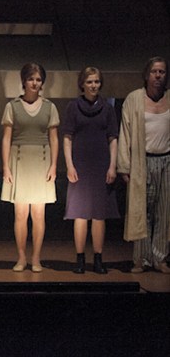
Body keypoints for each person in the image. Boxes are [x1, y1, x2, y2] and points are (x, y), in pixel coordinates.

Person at [1, 62, 59, 273]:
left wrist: (54, 165)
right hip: (19, 161)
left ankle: (36, 258)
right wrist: (6, 167)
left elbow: (54, 138)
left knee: (39, 214)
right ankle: (21, 257)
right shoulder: (12, 106)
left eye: (38, 79)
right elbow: (6, 138)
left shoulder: (50, 107)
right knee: (20, 214)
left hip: (41, 162)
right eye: (31, 79)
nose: (34, 83)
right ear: (23, 81)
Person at [62, 66, 119, 275]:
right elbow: (67, 138)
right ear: (82, 84)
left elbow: (113, 139)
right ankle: (80, 259)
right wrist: (69, 165)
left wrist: (112, 165)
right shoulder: (73, 107)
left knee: (99, 214)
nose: (93, 85)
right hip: (80, 165)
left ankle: (98, 259)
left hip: (101, 165)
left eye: (96, 81)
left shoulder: (108, 108)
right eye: (89, 82)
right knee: (79, 213)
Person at [118, 56, 169, 274]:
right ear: (147, 75)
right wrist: (124, 166)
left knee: (164, 212)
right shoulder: (134, 99)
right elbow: (125, 133)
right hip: (142, 161)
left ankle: (160, 258)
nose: (158, 76)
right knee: (141, 211)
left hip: (166, 160)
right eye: (154, 71)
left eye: (162, 72)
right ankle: (141, 259)